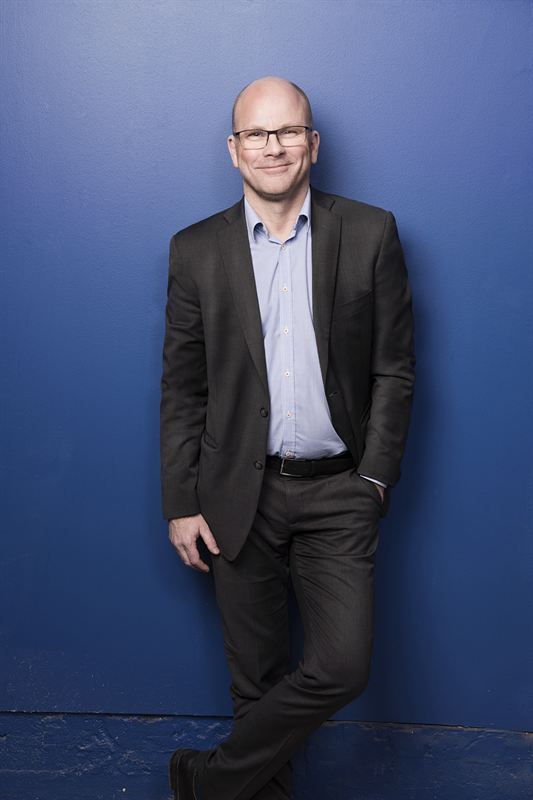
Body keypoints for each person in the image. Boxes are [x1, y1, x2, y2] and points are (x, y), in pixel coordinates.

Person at [160, 75, 415, 800]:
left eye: (288, 131)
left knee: (342, 667)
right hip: (235, 494)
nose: (272, 146)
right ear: (233, 149)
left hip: (339, 492)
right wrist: (181, 501)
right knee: (257, 682)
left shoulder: (370, 232)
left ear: (313, 144)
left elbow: (394, 368)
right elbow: (183, 388)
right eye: (256, 133)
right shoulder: (194, 250)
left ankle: (206, 781)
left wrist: (373, 478)